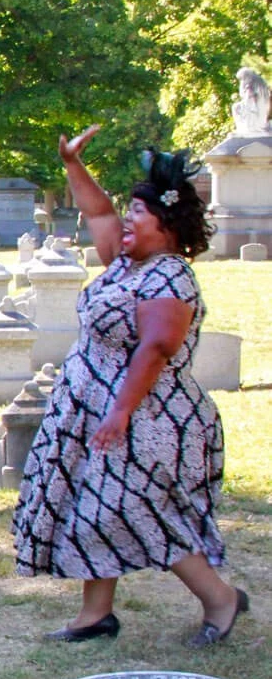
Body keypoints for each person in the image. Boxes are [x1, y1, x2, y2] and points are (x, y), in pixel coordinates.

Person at [14, 126, 241, 646]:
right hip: (104, 409)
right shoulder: (127, 262)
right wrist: (73, 165)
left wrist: (118, 412)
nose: (126, 221)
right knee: (95, 504)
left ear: (165, 226)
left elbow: (156, 350)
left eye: (138, 214)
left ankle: (221, 599)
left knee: (138, 506)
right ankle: (97, 615)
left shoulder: (168, 277)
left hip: (147, 416)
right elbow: (97, 214)